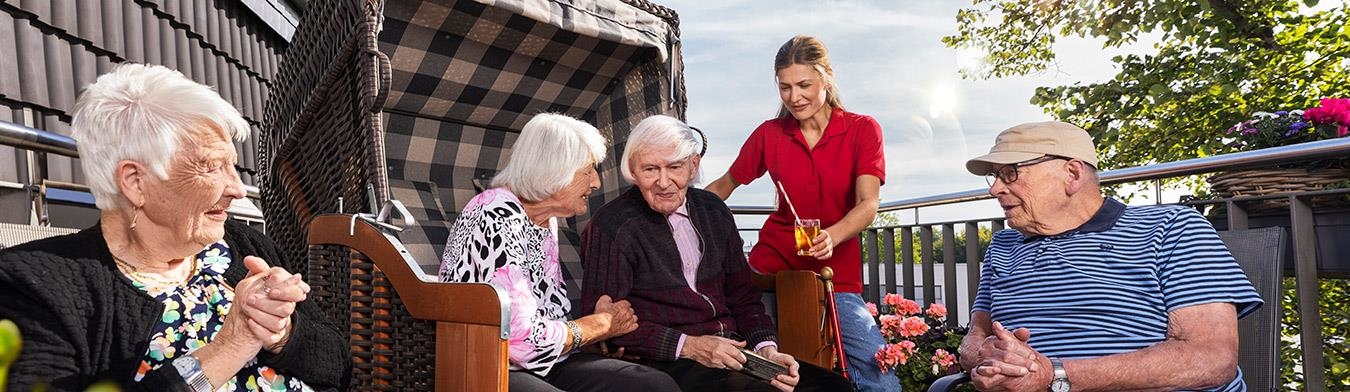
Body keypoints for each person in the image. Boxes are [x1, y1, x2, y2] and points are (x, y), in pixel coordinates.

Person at [0, 64, 351, 391]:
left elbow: (340, 367)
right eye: (212, 167)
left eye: (233, 166)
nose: (238, 189)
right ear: (136, 182)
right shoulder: (36, 288)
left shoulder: (248, 247)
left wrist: (281, 333)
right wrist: (230, 346)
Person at [958, 121, 1262, 392]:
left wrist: (1055, 376)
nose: (995, 189)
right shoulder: (1003, 244)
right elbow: (976, 334)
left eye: (1011, 173)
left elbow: (1210, 358)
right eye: (995, 176)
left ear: (1072, 173)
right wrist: (989, 358)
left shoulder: (1172, 227)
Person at [582, 115, 854, 392]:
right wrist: (691, 346)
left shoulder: (713, 210)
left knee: (832, 387)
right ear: (633, 171)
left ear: (693, 166)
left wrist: (768, 350)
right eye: (650, 169)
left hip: (735, 352)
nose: (663, 182)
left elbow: (744, 297)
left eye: (674, 167)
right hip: (668, 359)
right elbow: (606, 327)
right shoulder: (612, 225)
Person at [705, 35, 895, 392]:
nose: (795, 97)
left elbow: (868, 203)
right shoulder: (769, 134)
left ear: (827, 78)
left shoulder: (862, 129)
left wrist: (833, 235)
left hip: (834, 275)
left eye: (804, 85)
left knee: (878, 373)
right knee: (758, 365)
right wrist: (677, 209)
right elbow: (724, 185)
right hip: (768, 269)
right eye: (785, 87)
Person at [438, 113, 679, 392]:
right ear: (555, 169)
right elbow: (522, 342)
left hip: (546, 362)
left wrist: (598, 332)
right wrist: (599, 325)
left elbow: (550, 314)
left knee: (652, 384)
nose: (596, 183)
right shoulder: (495, 215)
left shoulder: (544, 219)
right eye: (588, 170)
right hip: (487, 364)